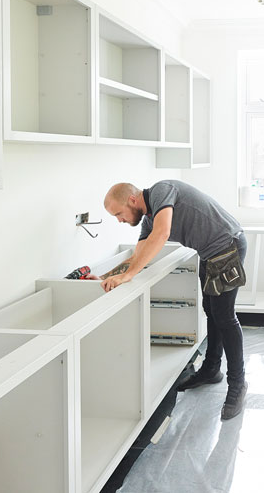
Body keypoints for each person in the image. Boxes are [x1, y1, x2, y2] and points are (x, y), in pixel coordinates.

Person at [100, 180, 248, 420]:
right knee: (211, 311)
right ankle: (211, 369)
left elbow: (163, 233)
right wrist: (108, 276)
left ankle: (238, 384)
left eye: (119, 214)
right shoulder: (149, 219)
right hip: (211, 254)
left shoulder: (162, 191)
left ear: (132, 200)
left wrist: (128, 276)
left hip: (228, 246)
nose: (120, 220)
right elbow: (139, 255)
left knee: (224, 317)